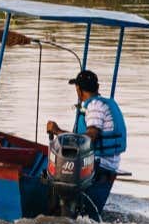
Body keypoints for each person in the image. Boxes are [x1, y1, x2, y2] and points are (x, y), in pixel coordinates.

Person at [47, 70, 130, 210]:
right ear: (96, 88)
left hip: (100, 164)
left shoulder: (94, 107)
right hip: (109, 163)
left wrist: (57, 131)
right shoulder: (105, 103)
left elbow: (90, 137)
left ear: (79, 90)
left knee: (50, 166)